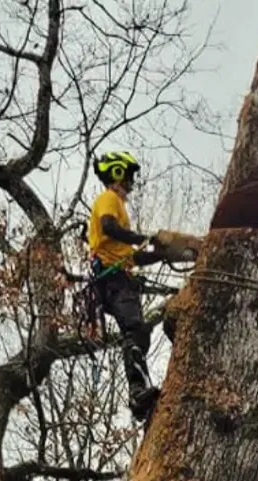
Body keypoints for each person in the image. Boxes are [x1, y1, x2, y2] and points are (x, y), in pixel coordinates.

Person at [86, 151, 163, 421]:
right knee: (135, 331)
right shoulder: (109, 199)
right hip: (112, 277)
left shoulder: (118, 208)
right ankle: (137, 391)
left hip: (117, 275)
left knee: (137, 332)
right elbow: (109, 227)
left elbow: (132, 256)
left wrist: (160, 252)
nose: (131, 182)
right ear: (118, 174)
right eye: (128, 175)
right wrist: (142, 237)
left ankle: (139, 393)